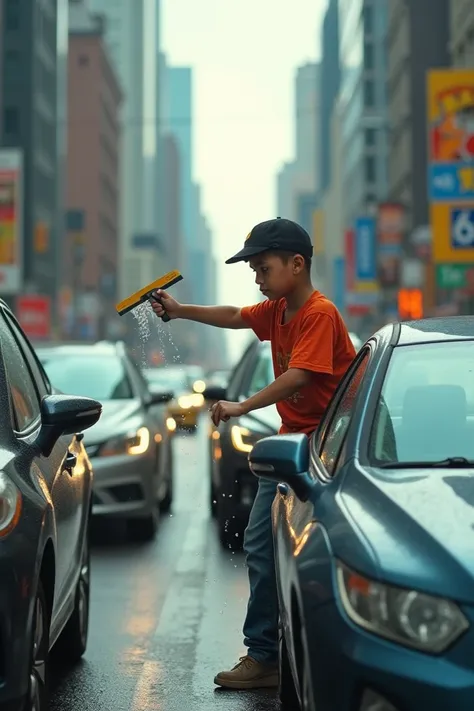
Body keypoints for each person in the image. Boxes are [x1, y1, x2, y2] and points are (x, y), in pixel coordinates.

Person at [150, 217, 356, 690]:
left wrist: (243, 404)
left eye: (263, 268)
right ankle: (264, 654)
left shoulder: (318, 314)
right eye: (254, 271)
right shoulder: (278, 308)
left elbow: (301, 375)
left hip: (328, 453)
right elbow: (234, 316)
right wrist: (180, 311)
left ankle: (328, 649)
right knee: (261, 544)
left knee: (323, 555)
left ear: (297, 264)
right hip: (289, 447)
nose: (257, 279)